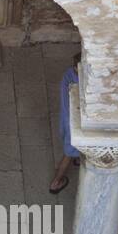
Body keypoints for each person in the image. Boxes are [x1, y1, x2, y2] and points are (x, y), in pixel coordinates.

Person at [48, 52, 83, 194]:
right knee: (67, 155)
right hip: (73, 125)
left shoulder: (68, 74)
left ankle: (78, 158)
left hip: (65, 118)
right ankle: (56, 182)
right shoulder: (79, 80)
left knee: (71, 150)